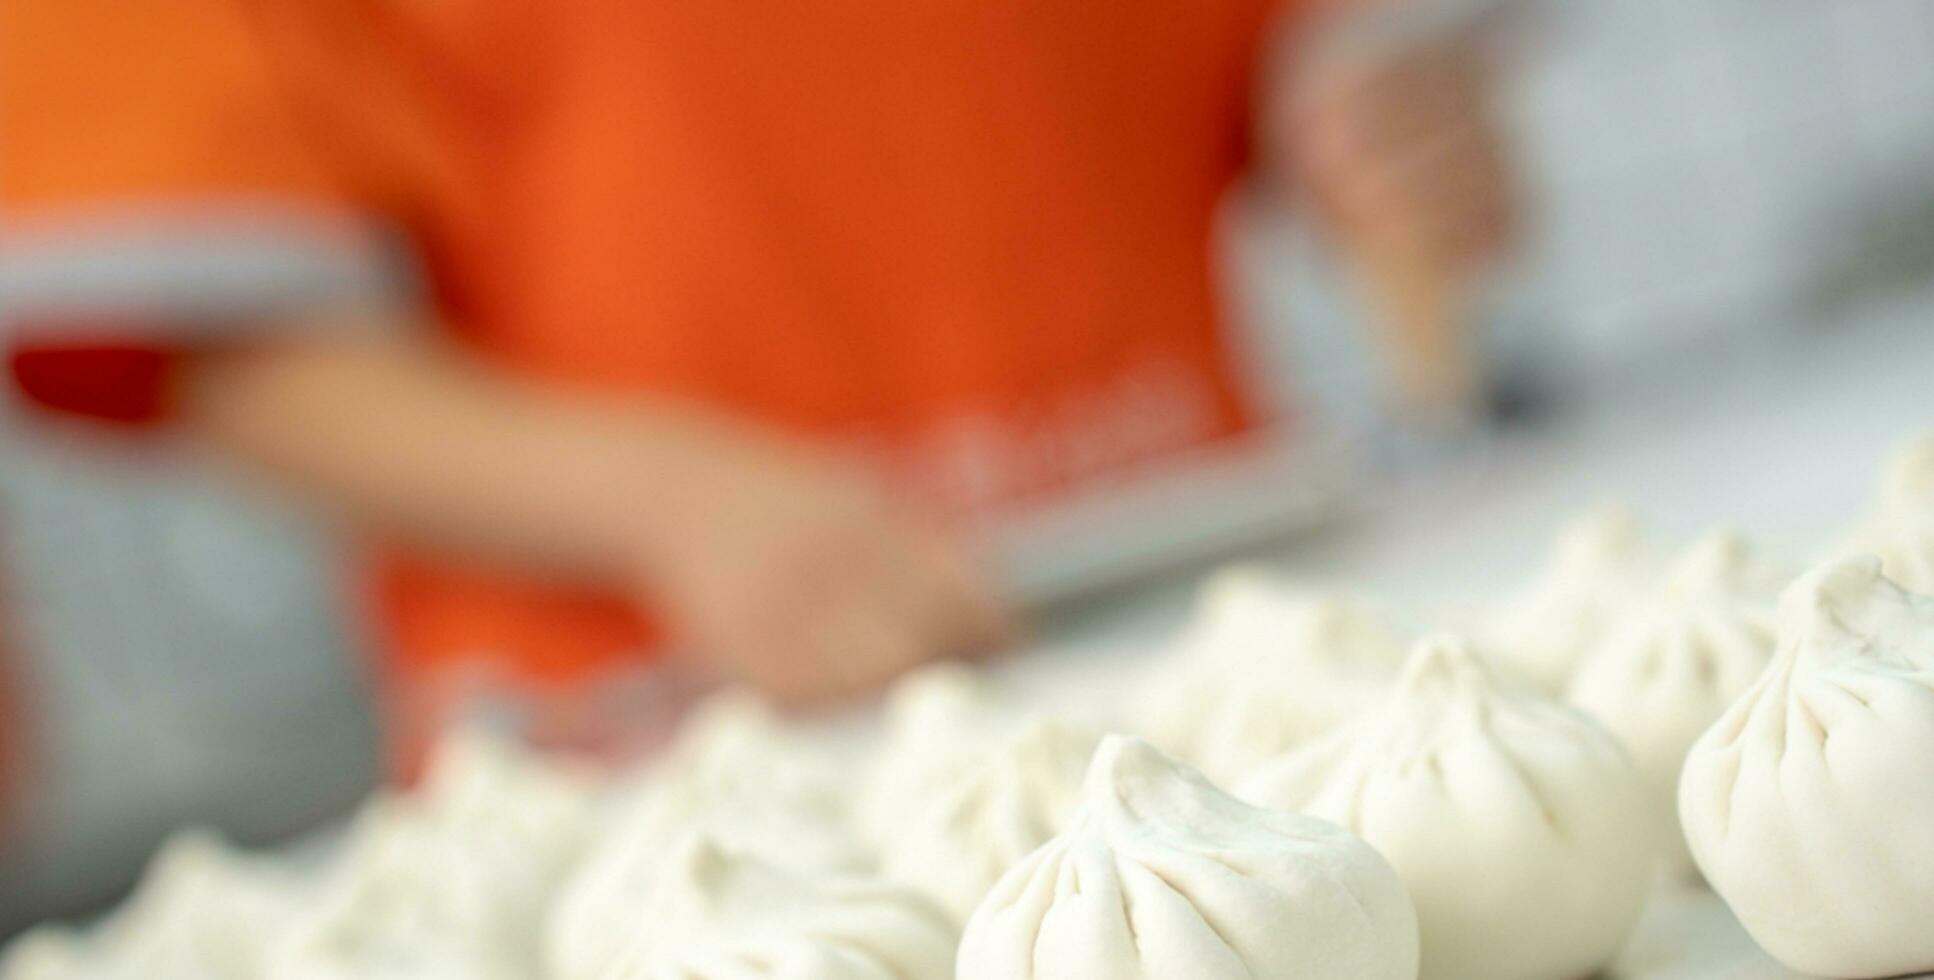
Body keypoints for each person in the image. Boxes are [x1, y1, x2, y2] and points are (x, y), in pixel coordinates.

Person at [2, 0, 1512, 771]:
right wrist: (660, 498)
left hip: (1220, 655)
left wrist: (1386, 119)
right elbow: (214, 346)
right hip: (651, 760)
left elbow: (1301, 61)